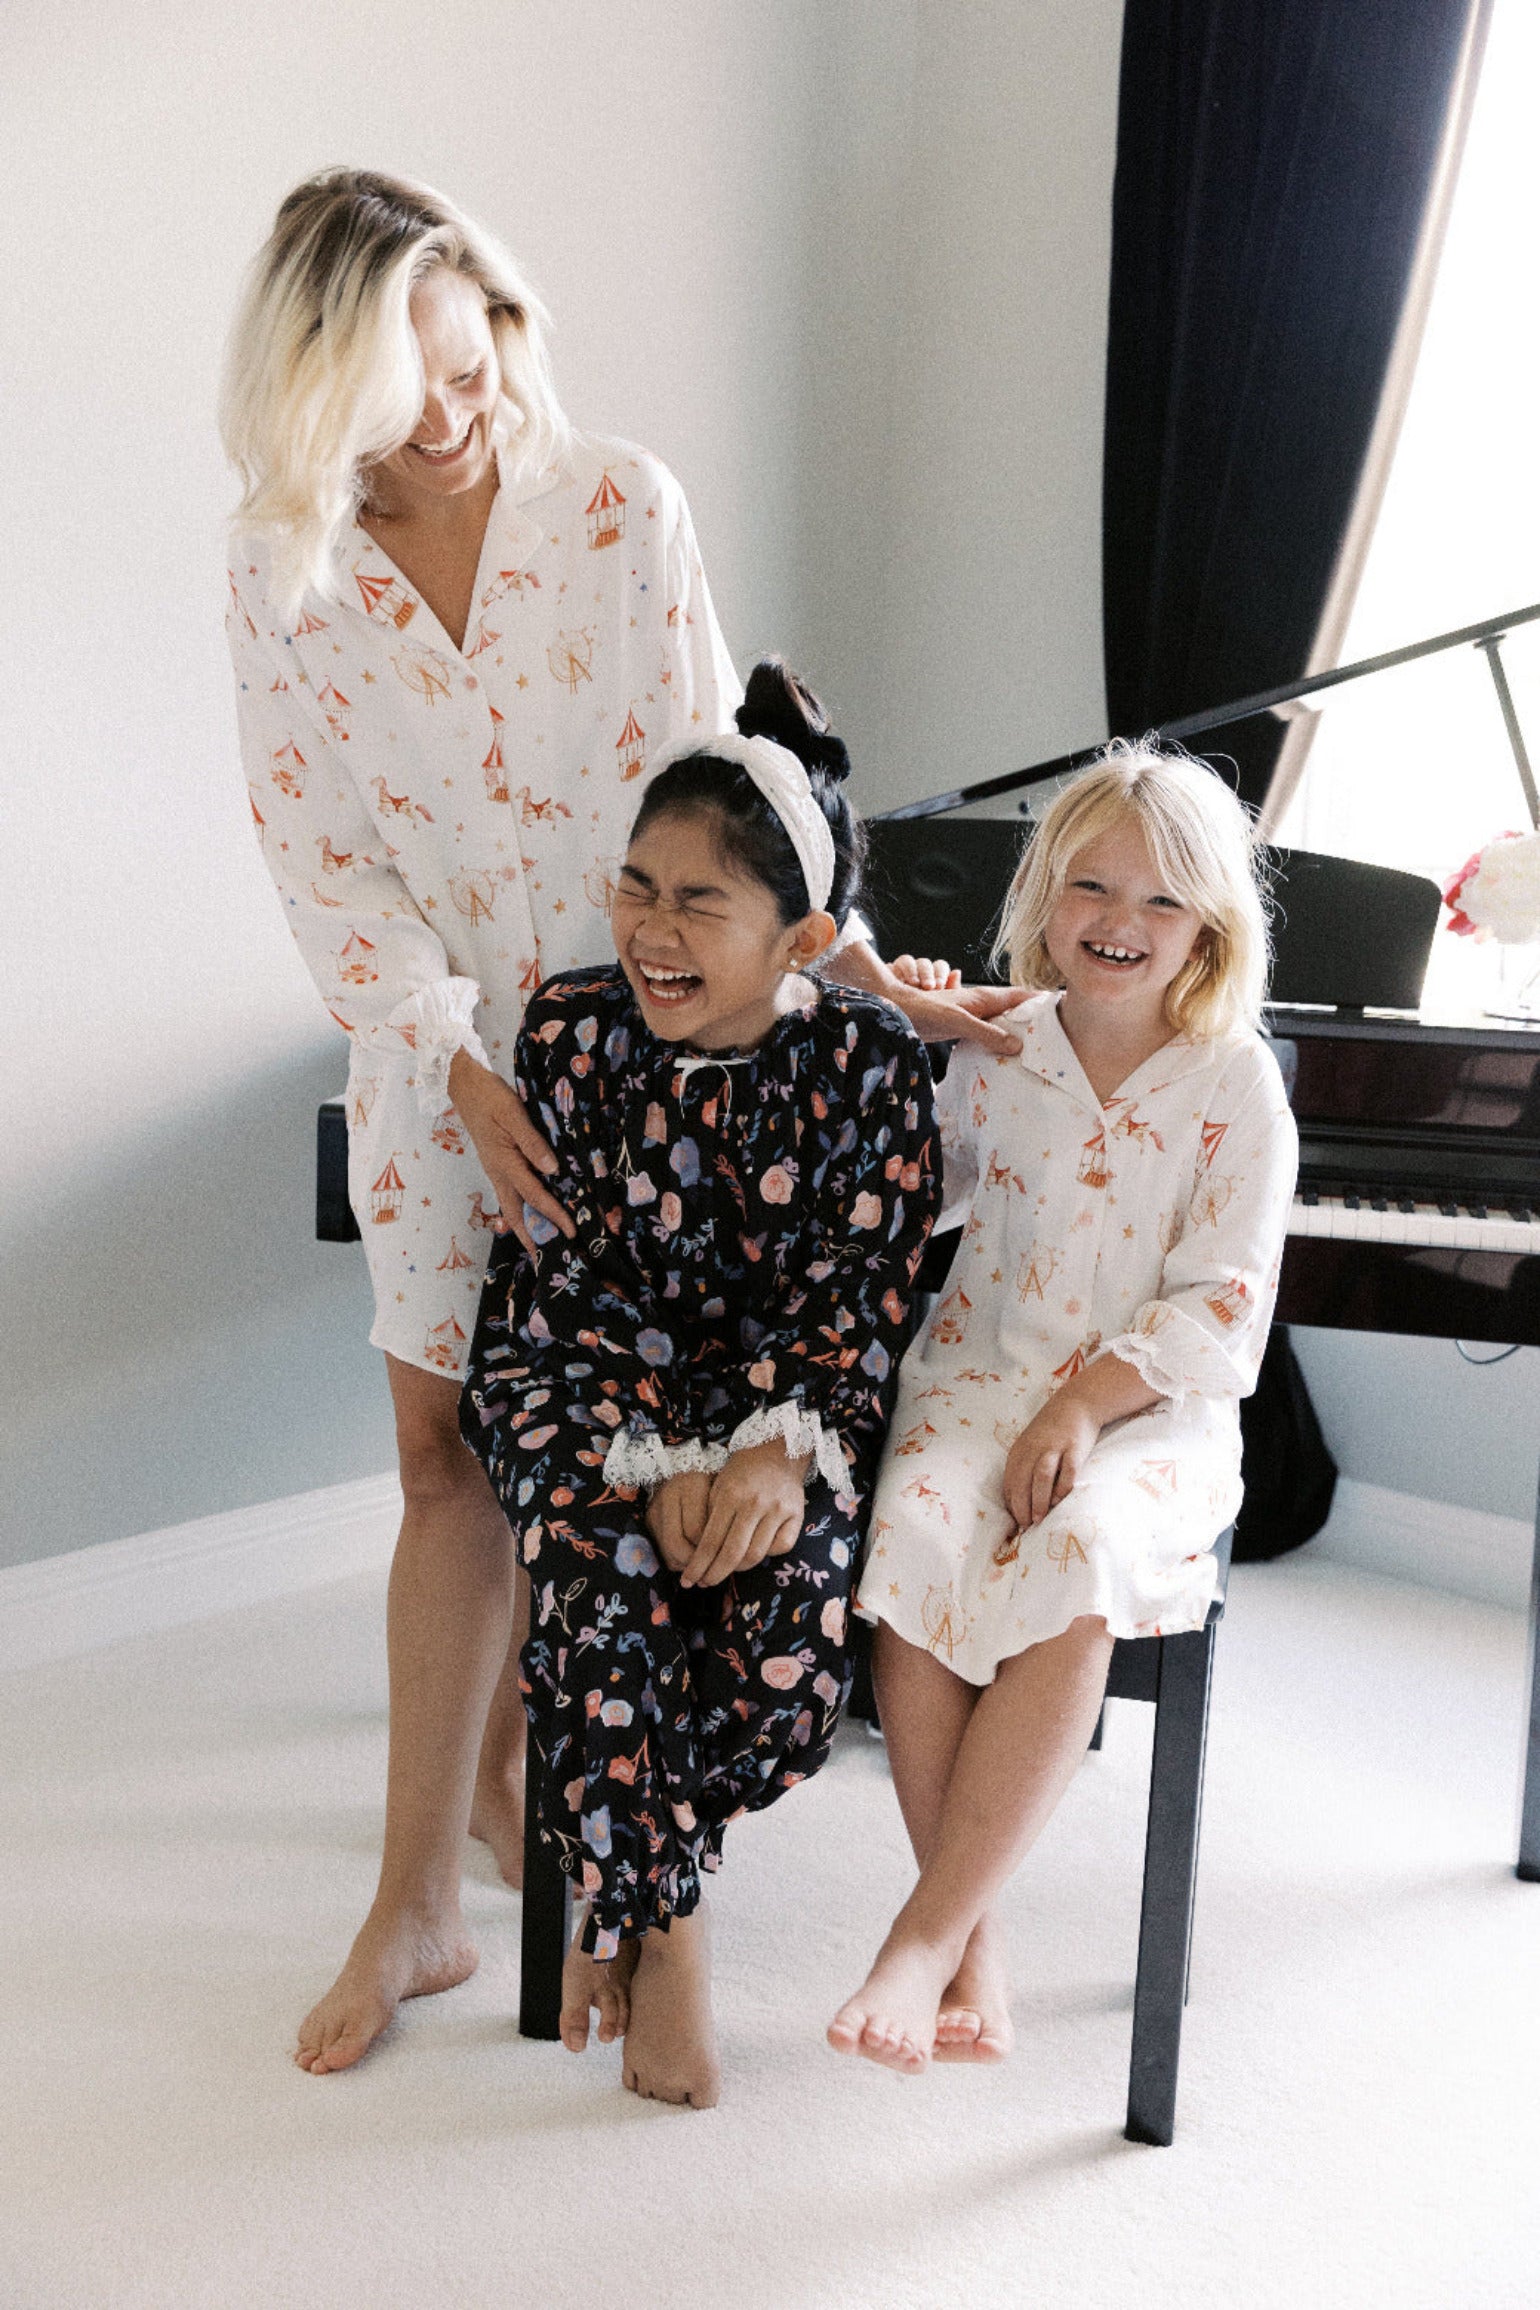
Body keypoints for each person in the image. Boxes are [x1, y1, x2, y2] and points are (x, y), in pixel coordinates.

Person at [220, 168, 1017, 2077]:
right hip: (440, 1067)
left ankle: (604, 1850)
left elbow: (716, 800)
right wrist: (457, 1063)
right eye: (396, 377)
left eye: (467, 343)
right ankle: (419, 1897)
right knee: (447, 1463)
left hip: (663, 1066)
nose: (447, 403)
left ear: (499, 308)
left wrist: (858, 978)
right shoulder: (282, 566)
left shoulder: (615, 506)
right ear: (318, 383)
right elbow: (326, 861)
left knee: (639, 1438)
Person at [461, 659, 940, 2106]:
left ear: (800, 935)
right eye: (637, 887)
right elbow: (560, 1272)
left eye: (698, 903)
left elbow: (867, 1288)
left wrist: (773, 1453)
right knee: (602, 1590)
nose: (651, 930)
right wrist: (649, 1458)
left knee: (792, 1661)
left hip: (782, 1408)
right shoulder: (571, 1028)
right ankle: (665, 1930)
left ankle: (613, 1871)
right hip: (576, 1378)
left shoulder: (869, 1060)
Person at [828, 741, 1298, 2073]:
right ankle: (970, 1939)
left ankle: (920, 1938)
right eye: (1090, 886)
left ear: (1208, 921)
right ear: (1044, 896)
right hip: (976, 1375)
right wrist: (898, 1029)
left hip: (1150, 1413)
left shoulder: (1234, 1085)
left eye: (1156, 900)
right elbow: (900, 1201)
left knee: (1079, 1549)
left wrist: (1083, 1409)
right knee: (913, 1538)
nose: (1118, 922)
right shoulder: (997, 1047)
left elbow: (1224, 1308)